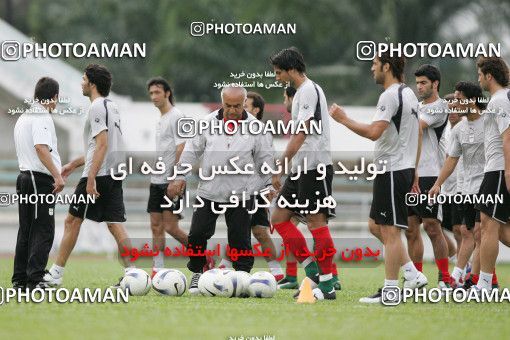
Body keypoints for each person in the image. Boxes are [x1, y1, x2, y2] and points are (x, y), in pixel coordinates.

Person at [329, 51, 427, 303]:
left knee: (391, 231)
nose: (372, 69)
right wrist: (414, 169)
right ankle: (412, 274)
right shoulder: (408, 94)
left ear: (386, 66)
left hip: (393, 170)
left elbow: (374, 132)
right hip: (397, 169)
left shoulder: (390, 95)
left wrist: (343, 119)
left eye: (374, 64)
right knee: (375, 226)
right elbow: (415, 133)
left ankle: (391, 291)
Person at [168, 85, 274, 294]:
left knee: (240, 239)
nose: (232, 110)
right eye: (228, 105)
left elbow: (264, 160)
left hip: (241, 194)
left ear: (245, 104)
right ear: (222, 102)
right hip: (209, 191)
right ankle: (198, 273)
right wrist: (179, 176)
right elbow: (191, 152)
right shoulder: (206, 124)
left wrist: (268, 185)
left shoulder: (257, 129)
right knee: (197, 234)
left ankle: (242, 277)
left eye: (237, 106)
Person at [43, 64, 134, 287]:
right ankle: (134, 275)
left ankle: (55, 274)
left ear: (92, 83)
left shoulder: (95, 108)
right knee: (114, 224)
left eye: (84, 79)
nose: (81, 83)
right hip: (112, 173)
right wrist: (73, 165)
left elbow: (101, 146)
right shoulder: (111, 106)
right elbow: (100, 146)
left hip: (99, 174)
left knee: (72, 220)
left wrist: (91, 178)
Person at [269, 47, 337, 300]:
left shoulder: (308, 90)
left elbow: (302, 133)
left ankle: (328, 286)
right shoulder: (300, 93)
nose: (277, 78)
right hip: (301, 169)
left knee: (316, 223)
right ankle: (312, 270)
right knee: (279, 219)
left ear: (291, 70)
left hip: (314, 167)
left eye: (278, 73)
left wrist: (280, 166)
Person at [145, 77, 214, 277]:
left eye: (157, 92)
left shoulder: (177, 116)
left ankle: (203, 257)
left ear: (167, 93)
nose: (154, 97)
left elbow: (182, 147)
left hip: (170, 181)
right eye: (151, 93)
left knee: (171, 227)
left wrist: (175, 176)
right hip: (156, 180)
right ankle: (157, 269)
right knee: (156, 226)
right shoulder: (161, 119)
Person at [429, 81, 494, 288]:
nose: (454, 104)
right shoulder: (458, 130)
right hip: (466, 188)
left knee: (480, 233)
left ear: (472, 101)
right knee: (468, 234)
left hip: (488, 186)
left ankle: (476, 280)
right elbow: (452, 159)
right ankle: (463, 278)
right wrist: (438, 183)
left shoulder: (491, 122)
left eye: (458, 99)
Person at [217, 91, 285, 282]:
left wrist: (268, 188)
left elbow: (269, 161)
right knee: (238, 230)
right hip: (238, 190)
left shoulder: (261, 131)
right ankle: (225, 266)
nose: (238, 110)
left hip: (255, 189)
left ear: (256, 110)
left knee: (259, 231)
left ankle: (278, 274)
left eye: (244, 106)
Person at [12, 77, 65, 290]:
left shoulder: (25, 115)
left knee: (26, 229)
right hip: (38, 179)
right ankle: (35, 279)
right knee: (43, 229)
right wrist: (58, 176)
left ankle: (20, 280)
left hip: (25, 177)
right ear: (54, 97)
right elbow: (41, 149)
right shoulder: (42, 116)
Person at [405, 64, 451, 288]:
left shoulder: (440, 107)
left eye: (423, 83)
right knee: (411, 229)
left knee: (432, 226)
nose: (419, 87)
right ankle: (417, 279)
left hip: (430, 174)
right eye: (417, 83)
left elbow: (417, 127)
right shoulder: (416, 106)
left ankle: (445, 278)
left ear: (435, 84)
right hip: (409, 174)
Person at [473, 57, 510, 292]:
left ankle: (484, 284)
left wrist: (508, 171)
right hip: (495, 169)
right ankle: (484, 283)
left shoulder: (500, 101)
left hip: (498, 170)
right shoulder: (501, 99)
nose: (478, 79)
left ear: (489, 76)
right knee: (500, 230)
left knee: (487, 226)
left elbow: (508, 137)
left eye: (479, 74)